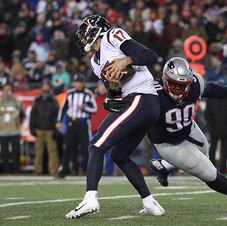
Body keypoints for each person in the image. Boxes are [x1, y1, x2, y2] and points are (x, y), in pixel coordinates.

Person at [66, 15, 164, 219]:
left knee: (96, 145)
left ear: (95, 31)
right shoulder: (95, 61)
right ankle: (150, 202)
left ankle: (90, 197)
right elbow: (115, 93)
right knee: (119, 155)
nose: (83, 40)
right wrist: (112, 93)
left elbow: (150, 55)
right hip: (138, 103)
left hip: (142, 98)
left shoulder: (112, 36)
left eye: (84, 34)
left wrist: (127, 59)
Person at [148, 57, 227, 212]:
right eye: (174, 84)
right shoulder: (151, 92)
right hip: (167, 143)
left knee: (205, 154)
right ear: (165, 79)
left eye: (183, 85)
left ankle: (164, 166)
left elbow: (212, 89)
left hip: (188, 128)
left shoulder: (195, 84)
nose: (178, 90)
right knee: (208, 172)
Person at [56, 73, 97, 178]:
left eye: (79, 82)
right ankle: (63, 171)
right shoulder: (69, 93)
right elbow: (63, 108)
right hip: (72, 123)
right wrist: (59, 121)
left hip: (83, 123)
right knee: (68, 147)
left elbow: (94, 109)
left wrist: (84, 107)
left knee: (86, 148)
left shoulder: (88, 94)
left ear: (83, 83)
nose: (77, 84)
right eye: (76, 82)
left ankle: (88, 171)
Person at [204, 78, 227, 174]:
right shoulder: (212, 98)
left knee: (225, 150)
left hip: (226, 129)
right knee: (212, 149)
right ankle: (210, 169)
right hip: (214, 128)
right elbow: (207, 114)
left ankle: (223, 170)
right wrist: (213, 127)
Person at [29, 79, 59, 176]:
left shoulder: (54, 100)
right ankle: (37, 170)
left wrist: (56, 130)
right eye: (44, 85)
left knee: (52, 152)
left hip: (50, 129)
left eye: (47, 86)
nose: (45, 87)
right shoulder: (37, 100)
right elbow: (33, 114)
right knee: (38, 152)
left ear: (49, 87)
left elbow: (57, 116)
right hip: (39, 129)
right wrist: (32, 128)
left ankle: (53, 171)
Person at [0, 83, 24, 174]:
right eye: (5, 90)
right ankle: (6, 170)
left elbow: (22, 114)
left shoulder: (17, 102)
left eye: (9, 89)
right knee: (4, 153)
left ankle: (17, 170)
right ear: (2, 91)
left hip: (14, 130)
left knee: (16, 152)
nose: (7, 92)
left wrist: (18, 124)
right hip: (3, 130)